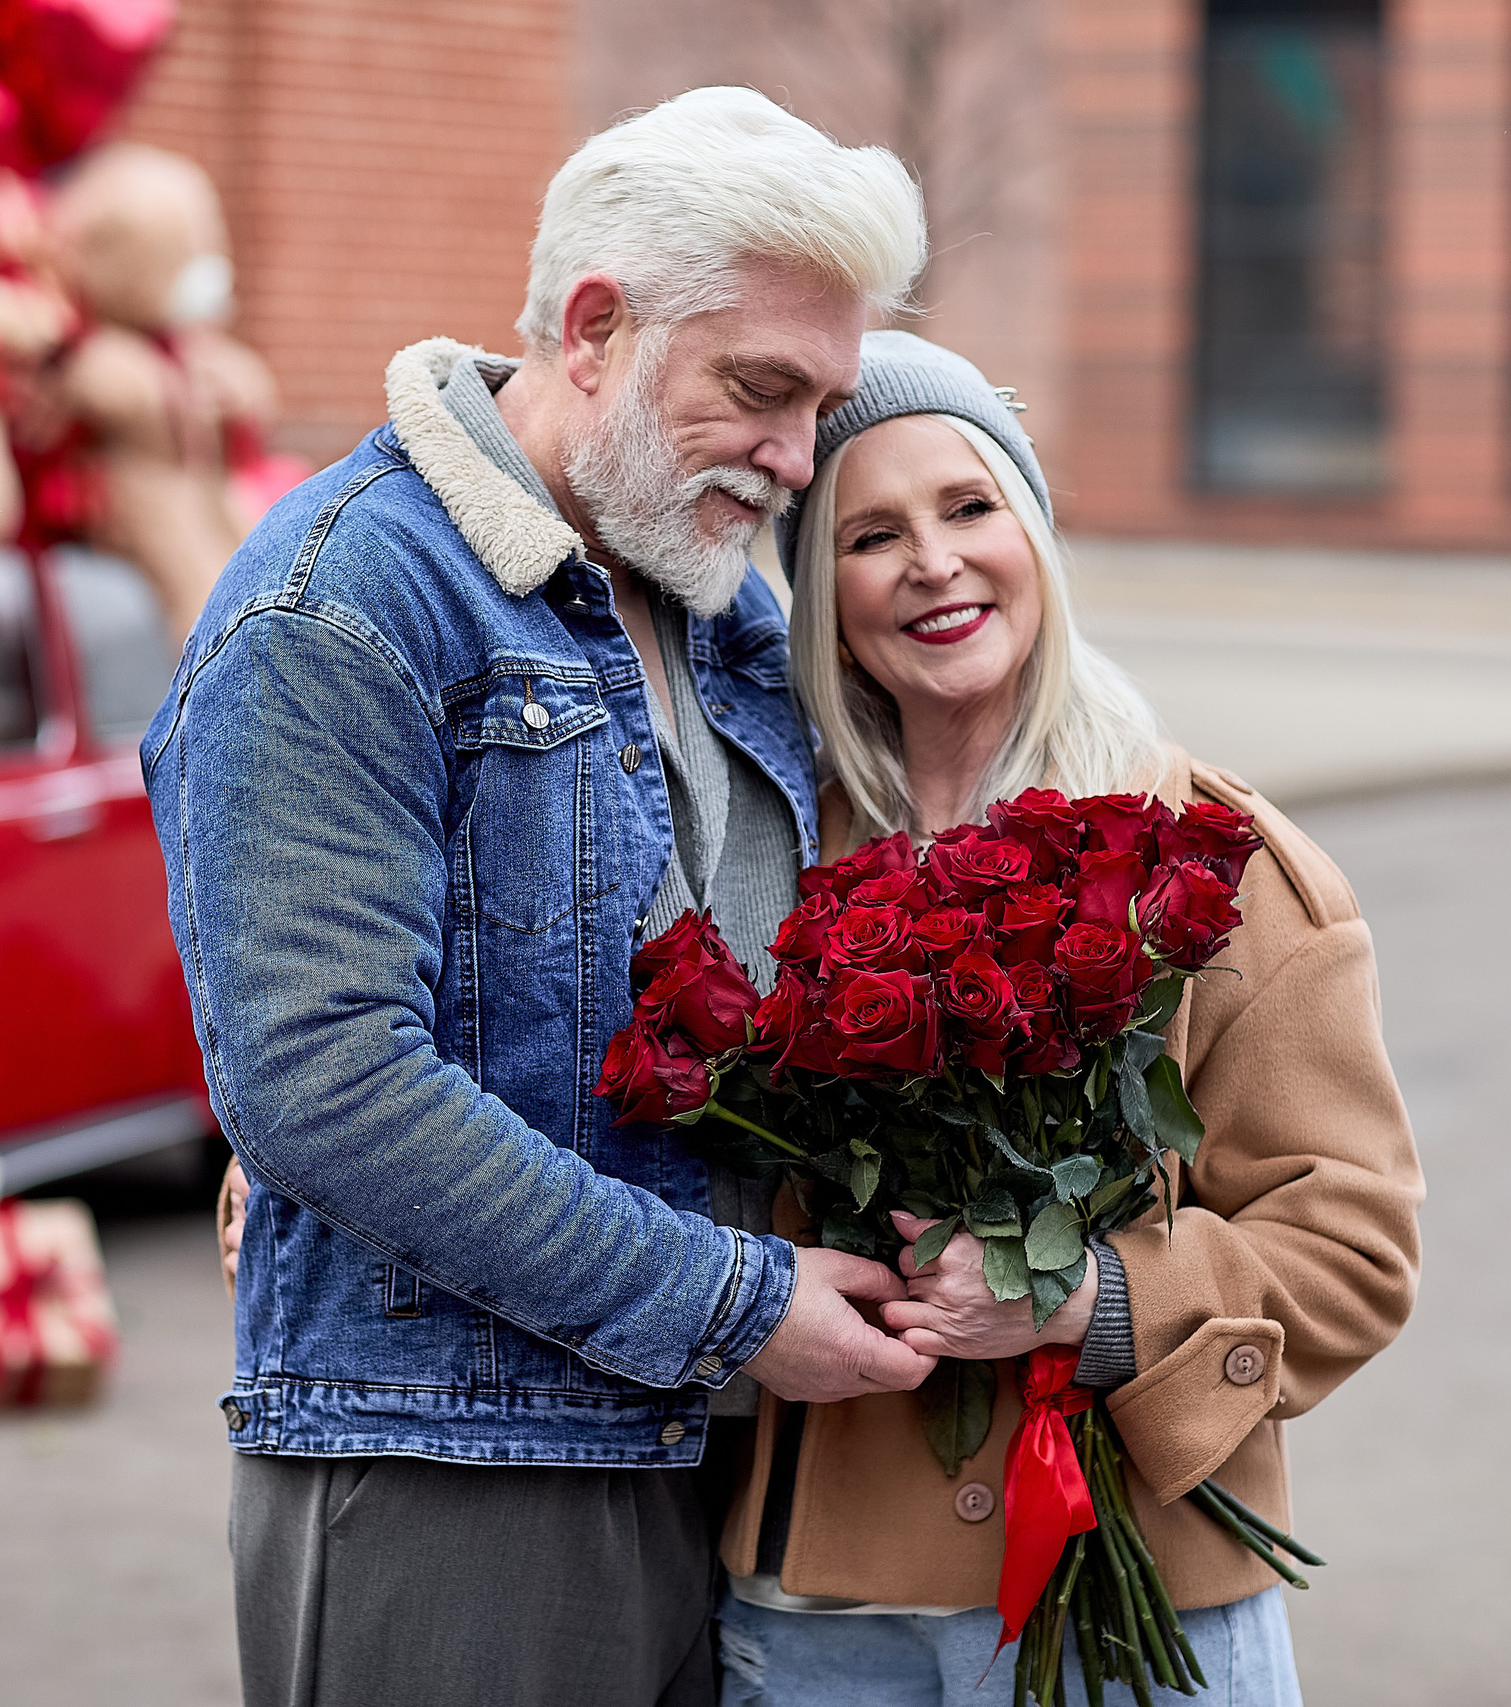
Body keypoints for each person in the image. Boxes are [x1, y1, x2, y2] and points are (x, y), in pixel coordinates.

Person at [145, 90, 938, 1707]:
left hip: (716, 1464)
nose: (799, 459)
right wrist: (731, 1303)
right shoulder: (341, 604)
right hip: (457, 1468)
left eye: (822, 401)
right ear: (594, 328)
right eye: (762, 391)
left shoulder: (714, 593)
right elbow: (322, 1080)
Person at [704, 332, 1424, 1704]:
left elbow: (1354, 1249)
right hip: (813, 1618)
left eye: (971, 508)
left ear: (1034, 533)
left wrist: (1081, 1299)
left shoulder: (1214, 866)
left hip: (1128, 1596)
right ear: (819, 594)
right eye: (869, 534)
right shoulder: (764, 864)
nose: (932, 561)